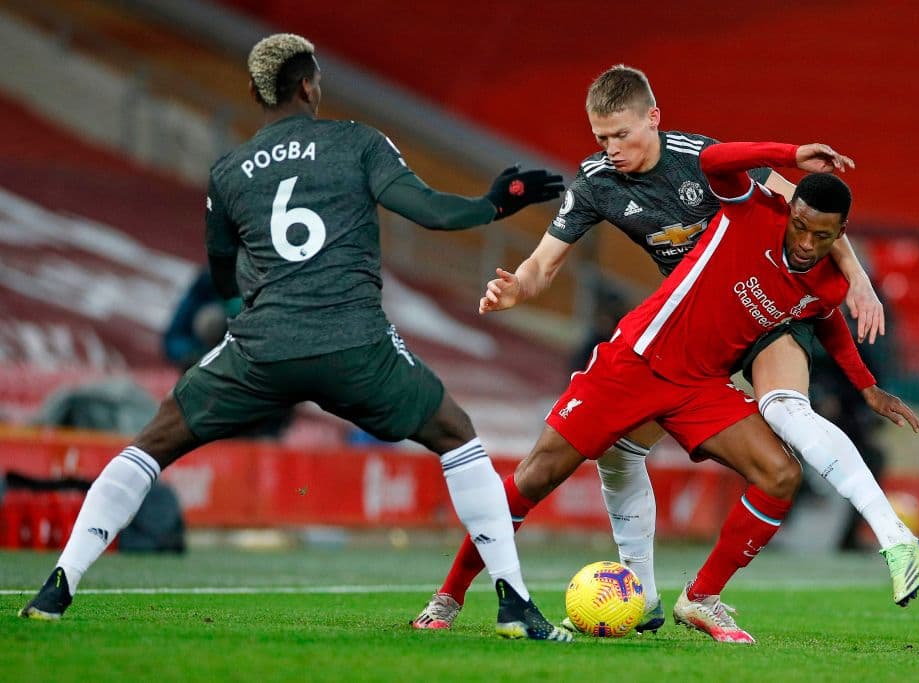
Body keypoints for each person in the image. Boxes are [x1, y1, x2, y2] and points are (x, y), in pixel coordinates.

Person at [19, 33, 573, 643]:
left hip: (263, 347)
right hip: (356, 345)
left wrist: (261, 303)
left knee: (151, 444)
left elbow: (222, 274)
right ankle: (514, 603)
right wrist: (496, 204)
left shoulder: (227, 173)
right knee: (456, 436)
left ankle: (58, 585)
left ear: (259, 94)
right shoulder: (357, 141)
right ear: (308, 85)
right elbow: (434, 213)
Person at [413, 65, 919, 634]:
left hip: (726, 344)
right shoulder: (596, 182)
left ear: (653, 119)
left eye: (621, 136)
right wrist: (517, 289)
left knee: (782, 459)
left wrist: (853, 273)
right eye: (600, 138)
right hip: (652, 346)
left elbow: (806, 206)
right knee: (544, 473)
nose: (611, 149)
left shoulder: (711, 166)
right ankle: (450, 598)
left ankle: (705, 595)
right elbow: (541, 265)